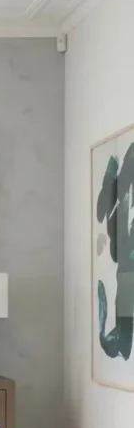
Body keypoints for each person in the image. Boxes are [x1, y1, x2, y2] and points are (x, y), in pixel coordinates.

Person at [97, 141, 134, 360]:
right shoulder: (121, 202)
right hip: (125, 271)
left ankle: (119, 340)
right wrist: (109, 176)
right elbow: (101, 212)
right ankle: (119, 340)